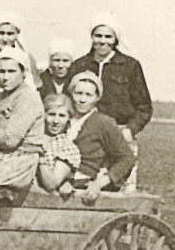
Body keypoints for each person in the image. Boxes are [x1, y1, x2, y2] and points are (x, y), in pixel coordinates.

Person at [68, 13, 152, 192]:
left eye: (108, 36)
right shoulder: (79, 65)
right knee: (84, 186)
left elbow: (144, 108)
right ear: (91, 37)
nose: (103, 41)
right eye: (98, 36)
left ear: (115, 39)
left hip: (120, 134)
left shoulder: (130, 66)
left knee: (122, 187)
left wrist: (130, 130)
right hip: (88, 137)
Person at [51, 72, 136, 204]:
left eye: (88, 95)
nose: (82, 99)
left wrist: (99, 183)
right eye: (78, 93)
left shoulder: (103, 123)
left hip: (83, 185)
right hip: (54, 180)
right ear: (71, 93)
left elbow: (127, 158)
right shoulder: (62, 118)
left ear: (97, 97)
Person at [0, 46, 45, 204]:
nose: (5, 77)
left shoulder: (26, 97)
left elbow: (10, 139)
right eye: (1, 71)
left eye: (11, 71)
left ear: (23, 73)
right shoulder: (4, 95)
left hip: (19, 162)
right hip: (4, 157)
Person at [36, 93, 81, 197]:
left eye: (62, 116)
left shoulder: (67, 147)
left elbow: (51, 184)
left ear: (69, 119)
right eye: (51, 114)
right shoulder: (32, 136)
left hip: (43, 201)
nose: (55, 121)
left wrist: (39, 155)